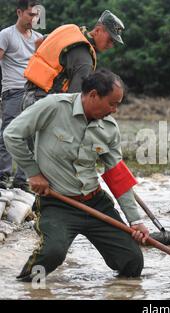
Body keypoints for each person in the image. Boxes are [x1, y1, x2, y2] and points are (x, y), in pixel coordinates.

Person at [4, 69, 149, 281]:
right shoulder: (53, 106)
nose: (115, 110)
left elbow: (117, 176)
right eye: (112, 103)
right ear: (92, 95)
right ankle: (27, 287)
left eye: (118, 104)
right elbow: (12, 135)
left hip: (95, 203)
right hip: (57, 203)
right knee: (52, 254)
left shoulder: (109, 128)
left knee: (132, 261)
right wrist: (33, 173)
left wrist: (135, 220)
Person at [21, 9, 125, 111]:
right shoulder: (86, 60)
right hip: (45, 104)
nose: (111, 45)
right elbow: (74, 99)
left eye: (114, 42)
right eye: (110, 39)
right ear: (97, 30)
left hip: (27, 96)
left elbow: (38, 41)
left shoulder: (68, 30)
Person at [0, 0, 42, 191]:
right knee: (8, 132)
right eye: (30, 15)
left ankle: (21, 180)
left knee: (31, 136)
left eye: (36, 15)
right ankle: (2, 176)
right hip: (13, 90)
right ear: (19, 12)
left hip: (34, 91)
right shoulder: (6, 35)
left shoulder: (39, 38)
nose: (33, 19)